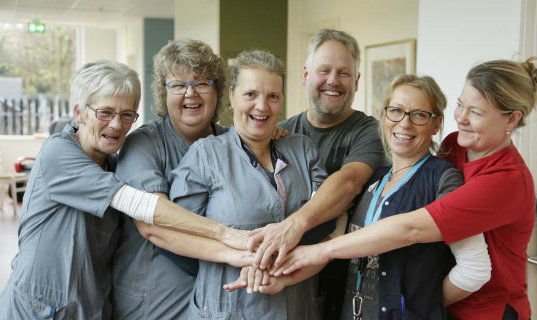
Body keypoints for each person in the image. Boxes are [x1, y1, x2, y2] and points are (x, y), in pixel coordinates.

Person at [275, 57, 537, 320]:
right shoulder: (456, 145)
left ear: (511, 120)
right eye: (461, 105)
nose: (461, 118)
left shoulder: (506, 180)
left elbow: (412, 228)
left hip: (486, 309)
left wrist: (420, 303)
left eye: (475, 113)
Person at [0, 59, 247, 320]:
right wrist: (225, 235)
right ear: (80, 112)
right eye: (105, 112)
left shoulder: (113, 164)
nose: (117, 125)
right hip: (37, 309)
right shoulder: (58, 153)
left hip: (87, 308)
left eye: (127, 114)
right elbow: (138, 204)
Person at [168, 50, 326, 319]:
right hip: (225, 304)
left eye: (272, 96)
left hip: (295, 304)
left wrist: (271, 262)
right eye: (250, 94)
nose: (262, 106)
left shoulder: (303, 150)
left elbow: (323, 221)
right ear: (231, 95)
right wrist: (240, 259)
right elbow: (178, 235)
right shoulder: (205, 155)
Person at [248, 29, 388, 318]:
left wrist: (294, 225)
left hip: (345, 286)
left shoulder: (371, 132)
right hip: (279, 283)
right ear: (305, 75)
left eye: (344, 73)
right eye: (324, 70)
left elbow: (348, 182)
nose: (333, 81)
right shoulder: (281, 131)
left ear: (357, 82)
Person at [111, 39, 252, 319]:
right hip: (153, 301)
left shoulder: (235, 143)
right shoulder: (144, 143)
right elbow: (153, 225)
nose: (191, 94)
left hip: (218, 298)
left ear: (218, 92)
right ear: (164, 94)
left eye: (201, 83)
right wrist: (236, 245)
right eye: (178, 85)